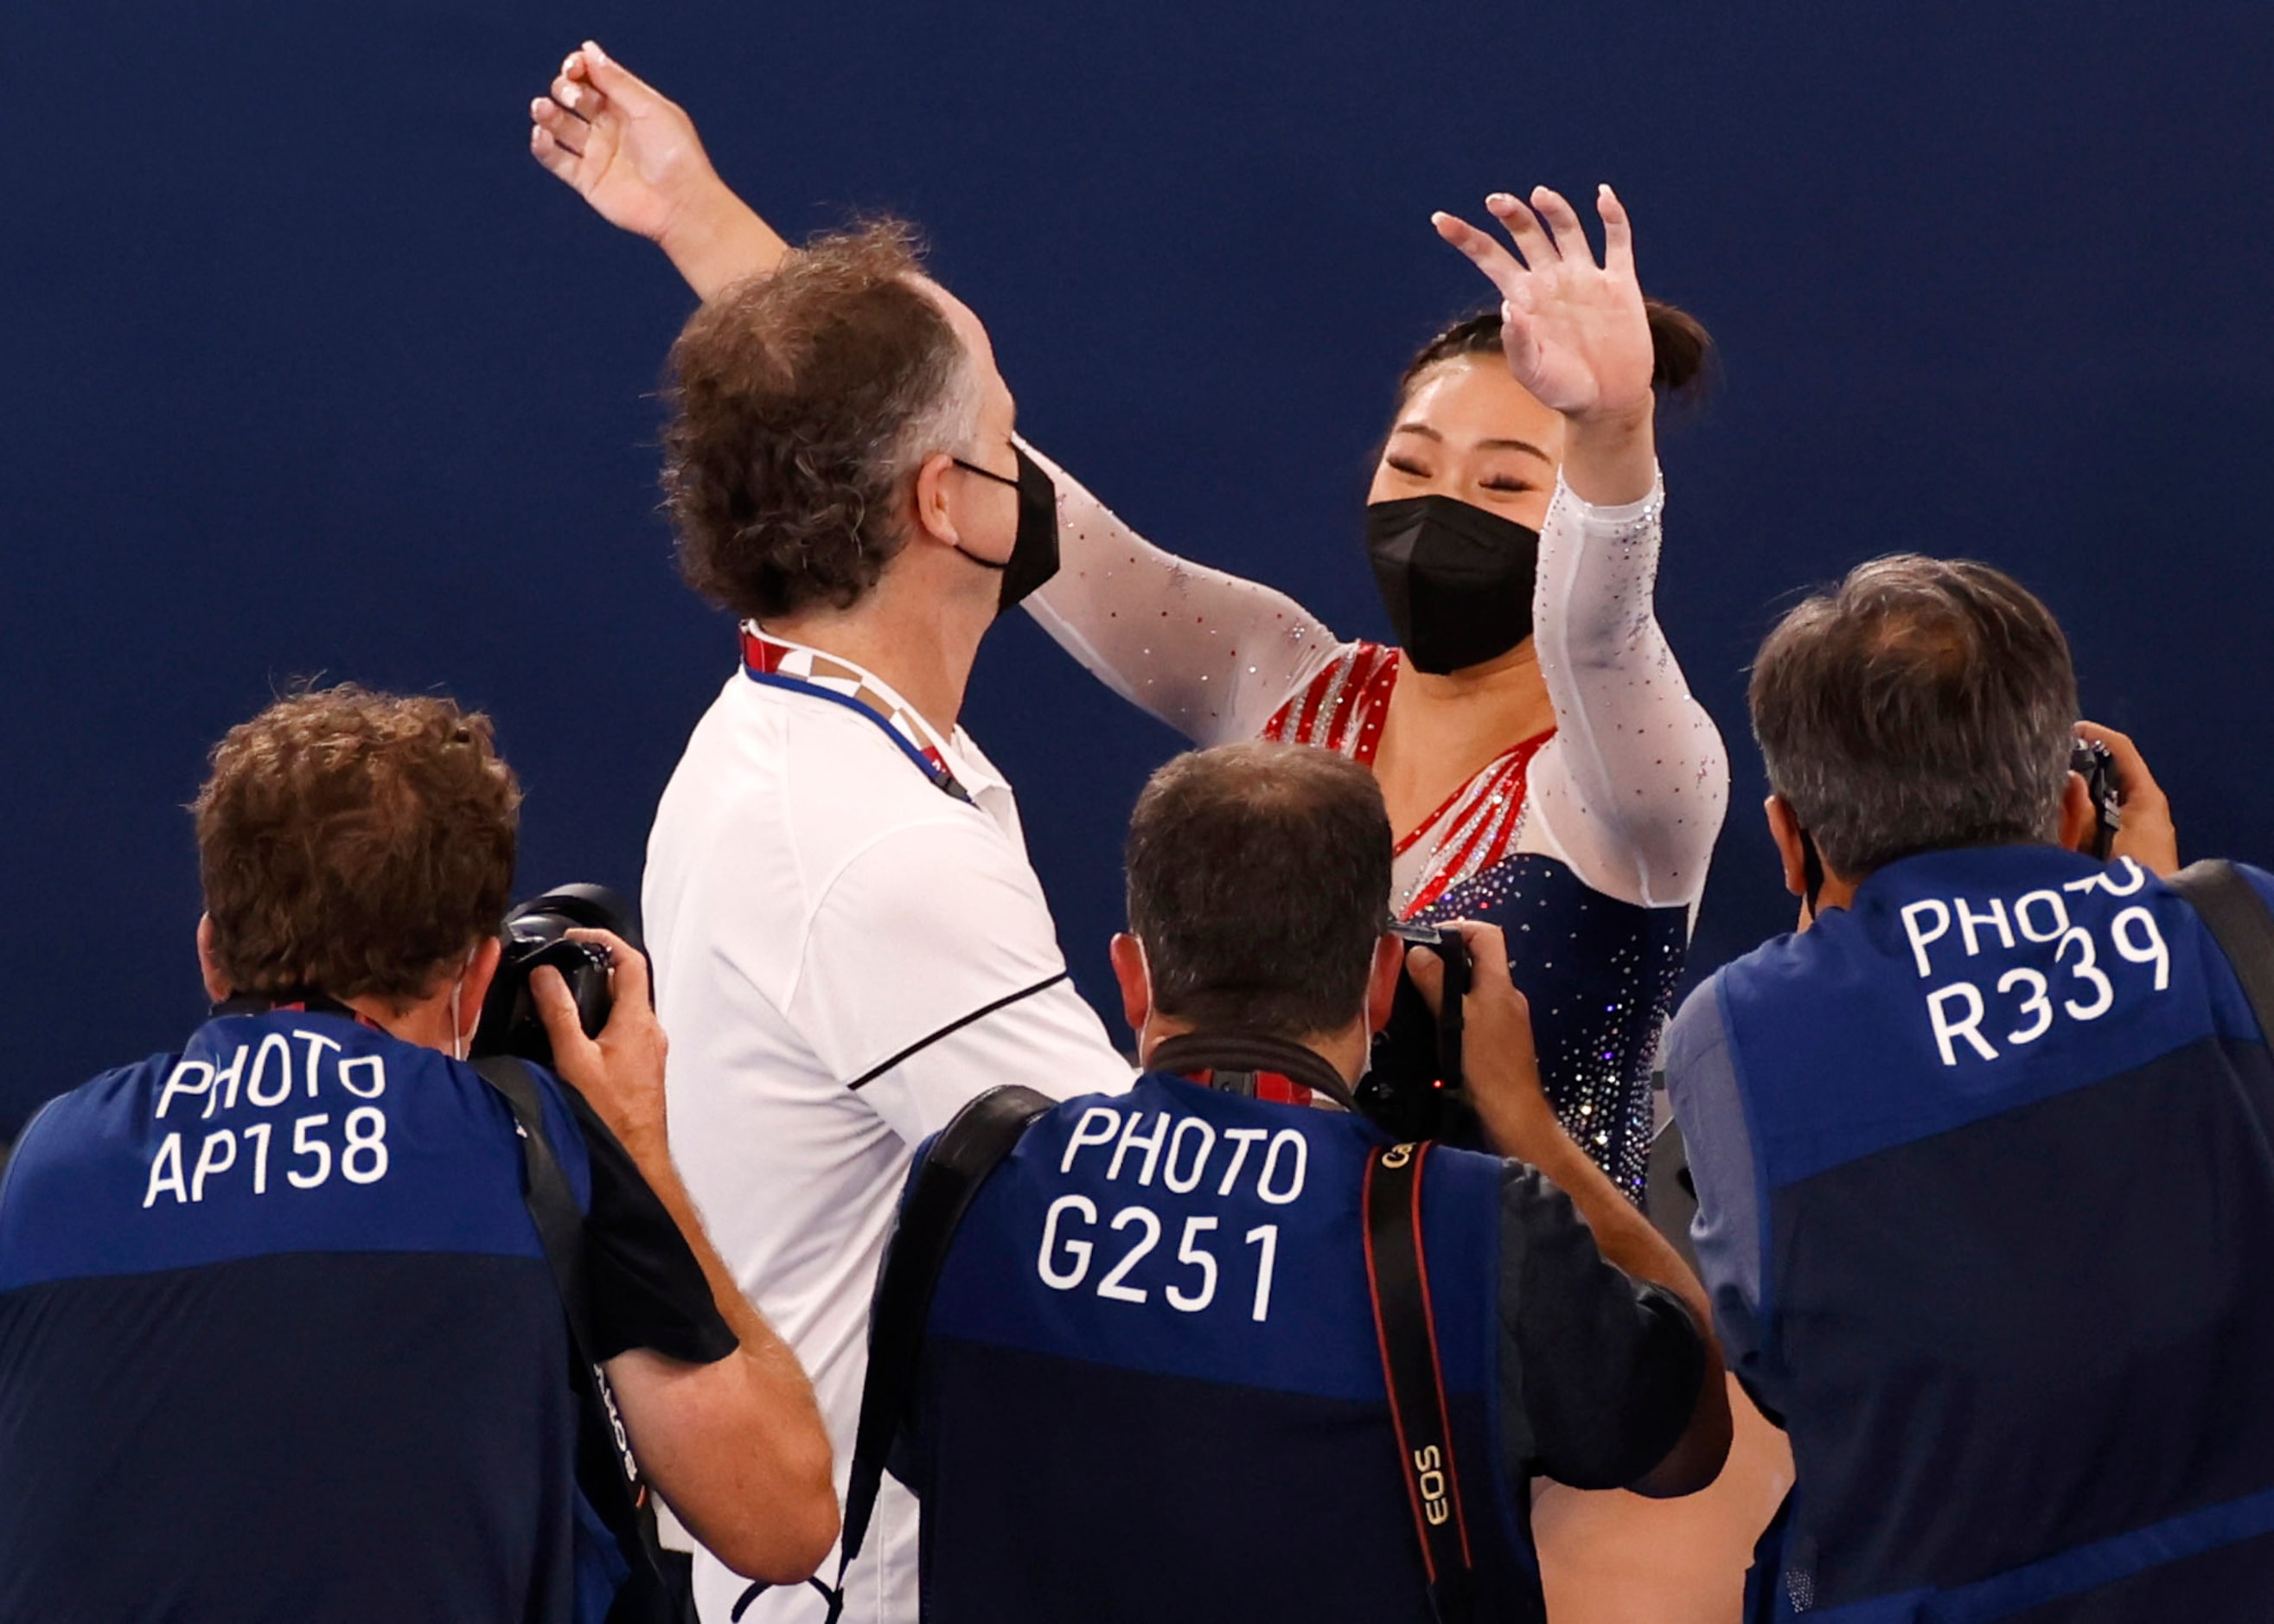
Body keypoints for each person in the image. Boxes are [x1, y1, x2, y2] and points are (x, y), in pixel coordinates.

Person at [527, 42, 1784, 1622]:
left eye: (1509, 476)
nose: (1442, 499)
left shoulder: (1631, 782)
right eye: (1413, 461)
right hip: (1262, 1393)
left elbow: (1601, 629)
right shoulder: (1284, 678)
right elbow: (959, 476)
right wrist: (703, 223)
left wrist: (1615, 446)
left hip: (1534, 1410)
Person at [0, 685, 837, 1622]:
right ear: (477, 977)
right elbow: (782, 1523)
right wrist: (633, 1142)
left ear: (210, 952)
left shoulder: (49, 1164)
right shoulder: (524, 1141)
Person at [881, 739, 1732, 1621]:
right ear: (1380, 980)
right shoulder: (1477, 1228)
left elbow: (936, 1459)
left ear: (1131, 978)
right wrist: (1528, 1125)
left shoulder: (969, 1180)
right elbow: (1687, 1440)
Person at [632, 208, 1140, 1620]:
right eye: (1008, 440)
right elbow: (1148, 1221)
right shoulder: (867, 844)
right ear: (940, 500)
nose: (1031, 477)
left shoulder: (804, 738)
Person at [1664, 554, 2274, 1619]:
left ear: (1784, 837)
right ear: (2076, 808)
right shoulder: (2235, 925)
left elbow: (1776, 1364)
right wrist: (2148, 904)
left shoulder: (1735, 1033)